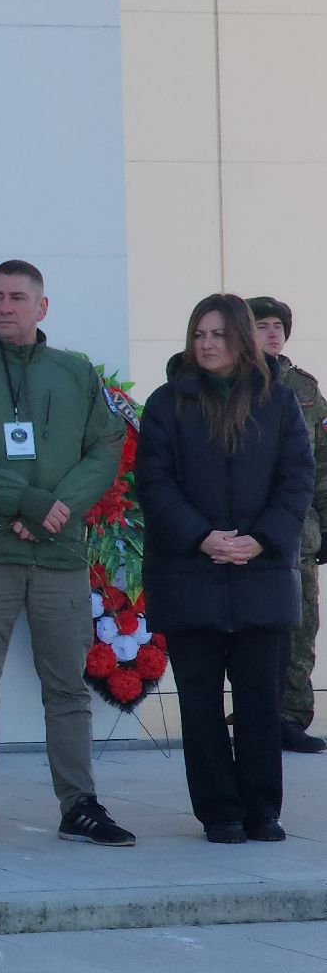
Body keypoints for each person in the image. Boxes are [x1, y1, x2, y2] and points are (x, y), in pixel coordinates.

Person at [0, 259, 134, 848]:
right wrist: (28, 502)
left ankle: (79, 804)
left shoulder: (75, 372)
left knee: (67, 689)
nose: (4, 307)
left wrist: (56, 508)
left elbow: (105, 446)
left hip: (58, 558)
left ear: (42, 306)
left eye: (16, 297)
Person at [135, 294, 314, 843]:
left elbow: (297, 480)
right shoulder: (166, 403)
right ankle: (219, 811)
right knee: (200, 703)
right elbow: (155, 483)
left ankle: (262, 809)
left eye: (217, 334)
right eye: (199, 334)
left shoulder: (279, 402)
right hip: (189, 574)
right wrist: (202, 537)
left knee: (261, 700)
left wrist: (261, 540)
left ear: (241, 338)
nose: (207, 344)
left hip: (261, 575)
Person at [248, 296, 327, 754]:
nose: (273, 333)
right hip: (245, 534)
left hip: (299, 536)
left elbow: (323, 465)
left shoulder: (305, 389)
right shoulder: (231, 384)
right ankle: (254, 711)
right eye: (262, 325)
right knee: (252, 629)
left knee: (300, 628)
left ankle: (291, 717)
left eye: (278, 325)